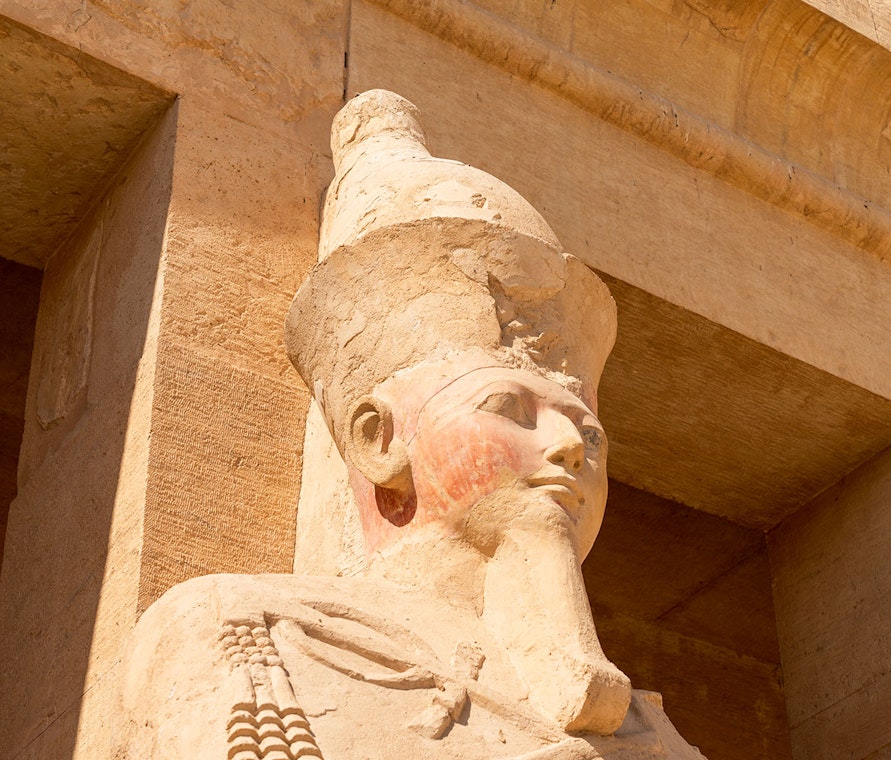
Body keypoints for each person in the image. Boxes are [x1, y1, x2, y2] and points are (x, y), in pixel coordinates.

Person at [118, 90, 705, 760]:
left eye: (590, 434)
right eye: (510, 409)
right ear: (378, 440)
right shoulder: (246, 635)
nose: (571, 447)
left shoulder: (661, 741)